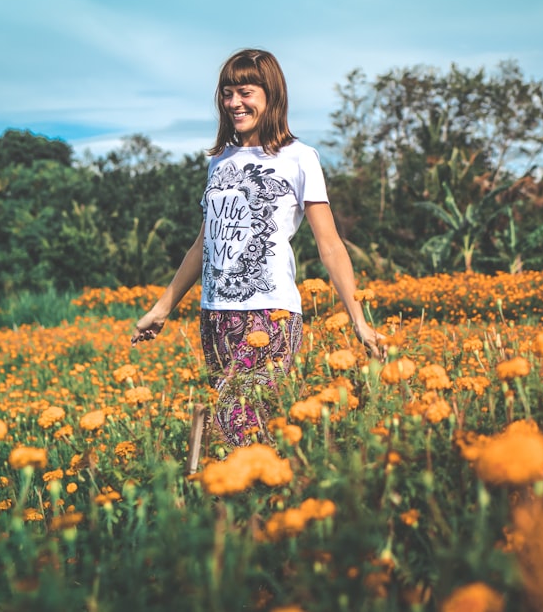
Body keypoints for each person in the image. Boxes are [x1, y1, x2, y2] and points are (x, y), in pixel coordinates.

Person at [131, 48, 383, 449]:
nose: (234, 103)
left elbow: (330, 245)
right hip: (215, 316)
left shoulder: (300, 158)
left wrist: (358, 319)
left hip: (271, 313)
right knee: (244, 434)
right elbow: (205, 242)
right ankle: (261, 505)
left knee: (239, 422)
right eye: (227, 93)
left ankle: (254, 502)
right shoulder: (219, 161)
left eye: (244, 92)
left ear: (271, 94)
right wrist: (163, 308)